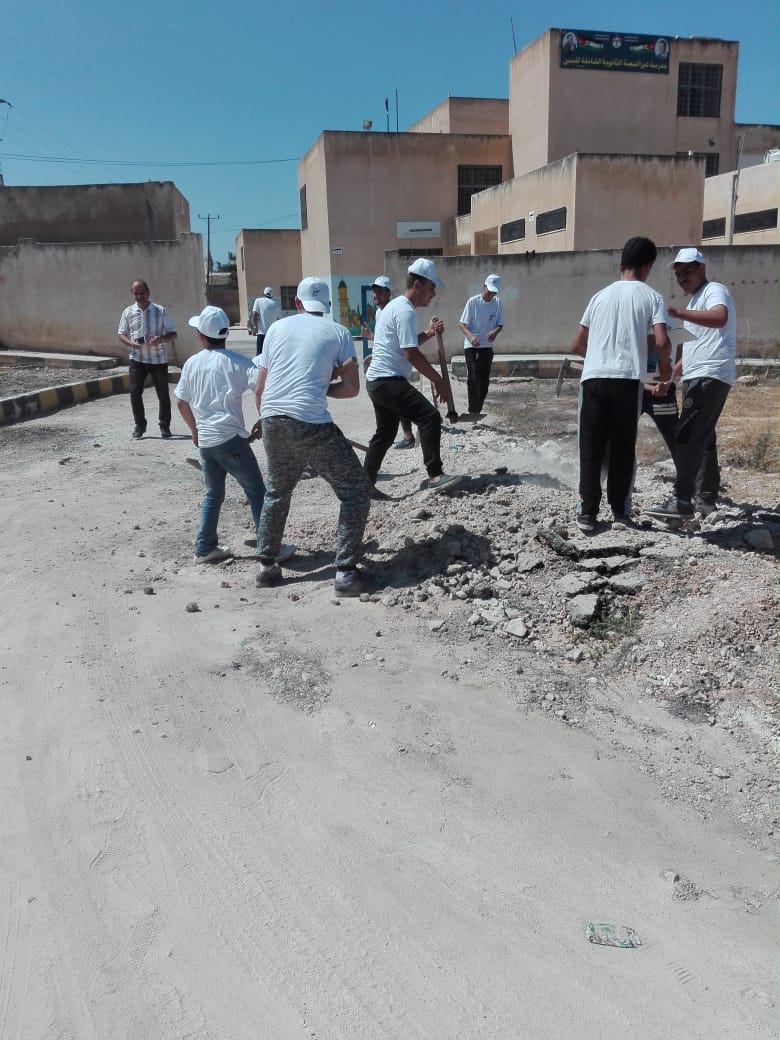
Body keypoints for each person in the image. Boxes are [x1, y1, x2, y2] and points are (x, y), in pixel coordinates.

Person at [252, 276, 372, 598]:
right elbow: (351, 388)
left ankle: (266, 567)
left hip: (272, 418)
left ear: (297, 303)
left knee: (277, 491)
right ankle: (345, 573)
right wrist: (320, 388)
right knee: (356, 490)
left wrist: (270, 420)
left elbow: (260, 389)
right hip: (311, 424)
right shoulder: (339, 332)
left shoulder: (275, 329)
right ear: (327, 305)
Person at [174, 305, 294, 565]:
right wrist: (264, 420)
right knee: (257, 492)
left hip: (206, 442)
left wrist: (194, 431)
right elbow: (263, 388)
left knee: (213, 494)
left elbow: (181, 402)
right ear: (225, 334)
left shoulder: (192, 364)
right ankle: (269, 548)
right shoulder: (238, 363)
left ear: (201, 336)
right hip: (231, 441)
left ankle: (204, 548)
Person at [570, 236, 671, 531]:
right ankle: (620, 512)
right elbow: (662, 342)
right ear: (648, 266)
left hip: (593, 379)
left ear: (620, 264)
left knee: (590, 447)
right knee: (623, 447)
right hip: (627, 381)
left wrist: (599, 358)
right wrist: (665, 375)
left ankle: (587, 513)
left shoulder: (598, 297)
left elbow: (577, 344)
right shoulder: (653, 298)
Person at [646, 248, 736, 520]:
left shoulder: (714, 291)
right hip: (698, 375)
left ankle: (682, 500)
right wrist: (669, 376)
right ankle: (706, 498)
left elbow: (720, 317)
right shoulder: (696, 302)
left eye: (688, 271)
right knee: (704, 437)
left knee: (685, 436)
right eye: (678, 274)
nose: (682, 278)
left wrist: (679, 312)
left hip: (709, 375)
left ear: (701, 269)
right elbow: (690, 352)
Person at [363, 258, 462, 498]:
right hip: (387, 380)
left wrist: (428, 333)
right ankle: (435, 475)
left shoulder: (397, 307)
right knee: (429, 417)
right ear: (417, 285)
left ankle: (363, 486)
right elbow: (411, 353)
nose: (433, 293)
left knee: (385, 433)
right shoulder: (404, 311)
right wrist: (439, 380)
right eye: (431, 287)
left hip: (377, 381)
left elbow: (407, 343)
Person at [361, 275, 416, 450]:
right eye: (374, 291)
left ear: (388, 293)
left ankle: (407, 437)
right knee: (386, 404)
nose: (375, 294)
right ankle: (386, 437)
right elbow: (383, 340)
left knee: (398, 403)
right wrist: (373, 352)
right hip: (385, 365)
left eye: (379, 291)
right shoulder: (379, 312)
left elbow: (400, 342)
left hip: (395, 366)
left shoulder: (395, 311)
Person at [117, 279, 177, 439]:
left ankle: (164, 426)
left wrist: (160, 339)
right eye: (136, 294)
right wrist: (131, 343)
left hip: (158, 360)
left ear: (148, 293)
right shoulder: (128, 312)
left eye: (142, 293)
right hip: (137, 359)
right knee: (135, 392)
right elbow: (121, 333)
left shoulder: (160, 311)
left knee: (163, 394)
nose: (139, 296)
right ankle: (140, 425)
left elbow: (173, 334)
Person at [458, 273, 504, 417]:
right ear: (484, 286)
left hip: (487, 346)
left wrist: (495, 332)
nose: (491, 295)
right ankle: (472, 411)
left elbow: (500, 324)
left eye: (494, 293)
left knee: (484, 382)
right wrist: (471, 337)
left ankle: (477, 410)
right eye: (489, 291)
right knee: (473, 376)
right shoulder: (473, 302)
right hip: (471, 345)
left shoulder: (497, 303)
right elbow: (462, 324)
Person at [251, 287, 282, 356]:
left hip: (261, 334)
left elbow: (254, 316)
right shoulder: (275, 304)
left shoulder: (258, 301)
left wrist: (256, 327)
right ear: (272, 295)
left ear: (263, 293)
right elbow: (279, 320)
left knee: (259, 356)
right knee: (271, 355)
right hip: (272, 335)